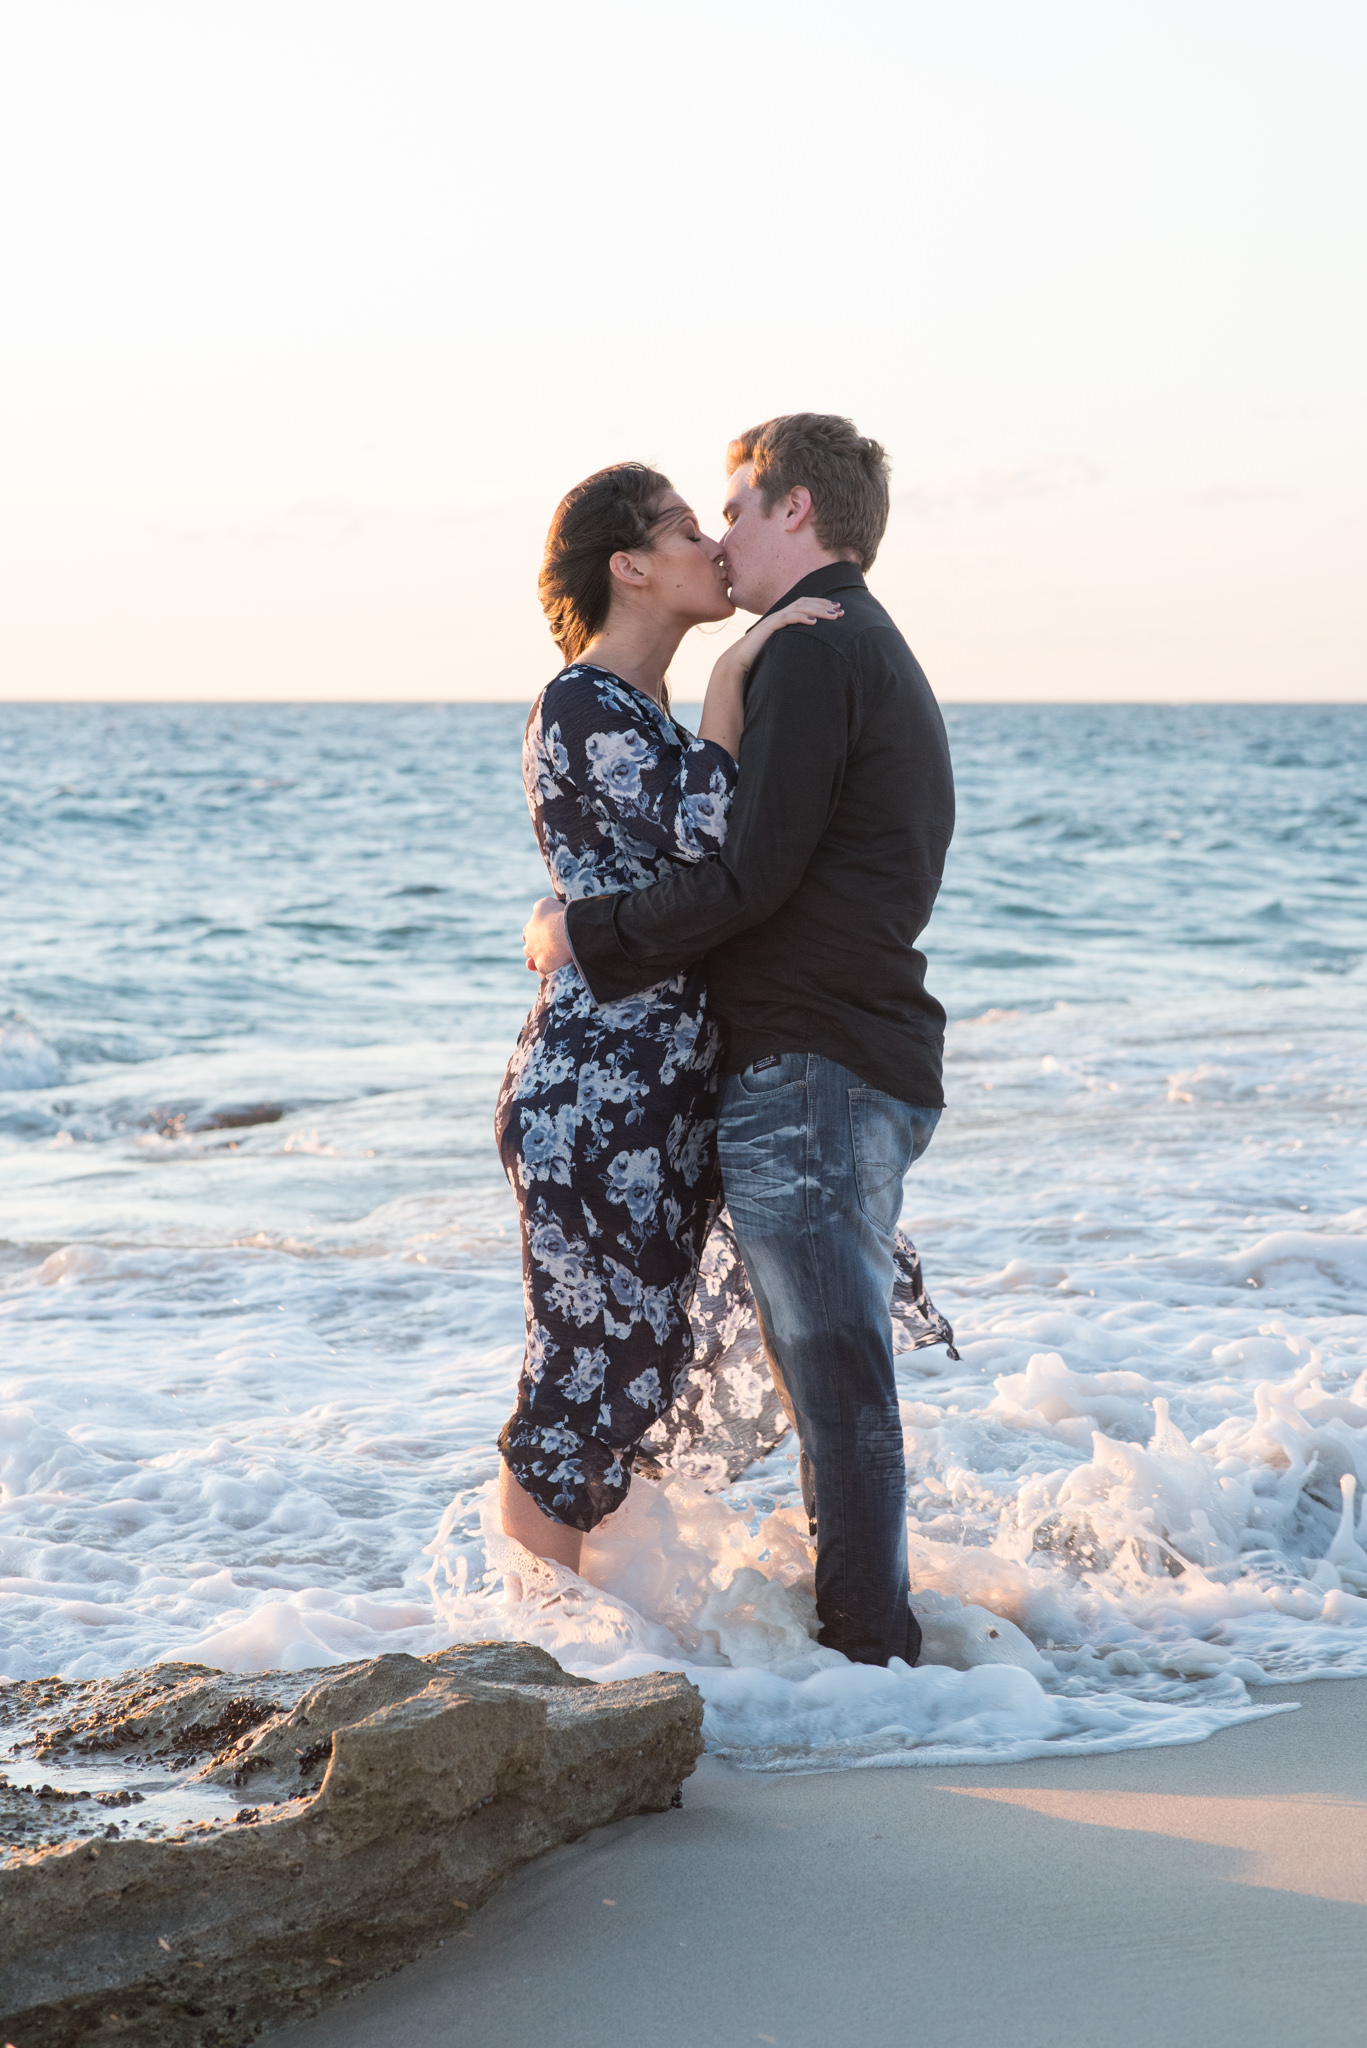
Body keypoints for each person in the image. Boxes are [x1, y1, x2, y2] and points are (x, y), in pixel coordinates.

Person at [523, 414, 956, 1668]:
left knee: (822, 1382)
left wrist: (579, 930)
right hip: (696, 1078)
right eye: (687, 519)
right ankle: (553, 1648)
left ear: (796, 513)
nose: (716, 532)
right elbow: (748, 859)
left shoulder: (812, 655)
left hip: (807, 1063)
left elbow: (745, 874)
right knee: (603, 1373)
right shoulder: (813, 655)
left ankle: (866, 1657)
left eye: (732, 506)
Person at [496, 460, 841, 1576]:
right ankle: (524, 1642)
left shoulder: (631, 709)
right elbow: (716, 834)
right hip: (592, 1093)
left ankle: (578, 1626)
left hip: (657, 1087)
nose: (712, 548)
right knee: (580, 1365)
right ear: (628, 566)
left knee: (634, 1361)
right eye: (687, 531)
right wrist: (737, 676)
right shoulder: (583, 696)